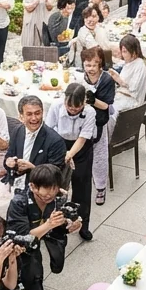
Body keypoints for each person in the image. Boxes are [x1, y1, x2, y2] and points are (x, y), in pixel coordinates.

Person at [7, 165, 82, 290]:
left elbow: (60, 227)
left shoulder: (58, 199)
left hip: (39, 242)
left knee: (36, 278)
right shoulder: (19, 202)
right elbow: (20, 237)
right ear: (33, 186)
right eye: (46, 189)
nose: (50, 194)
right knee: (13, 285)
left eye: (54, 188)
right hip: (16, 249)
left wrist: (71, 225)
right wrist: (48, 224)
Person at [47, 83, 98, 240]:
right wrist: (62, 153)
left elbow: (83, 138)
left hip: (81, 148)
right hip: (59, 143)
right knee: (56, 186)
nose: (72, 110)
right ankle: (53, 224)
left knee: (82, 186)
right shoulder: (56, 107)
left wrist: (70, 155)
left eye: (77, 108)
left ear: (84, 102)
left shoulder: (90, 112)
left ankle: (82, 224)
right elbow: (49, 131)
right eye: (69, 107)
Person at [4, 95, 67, 193]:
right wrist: (9, 162)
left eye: (37, 113)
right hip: (14, 184)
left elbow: (55, 175)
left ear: (43, 113)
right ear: (21, 116)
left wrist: (33, 168)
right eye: (29, 114)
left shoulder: (55, 141)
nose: (34, 118)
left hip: (40, 191)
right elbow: (9, 156)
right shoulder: (17, 131)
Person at [81, 47, 116, 204]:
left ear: (100, 64)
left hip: (99, 122)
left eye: (94, 65)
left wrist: (92, 100)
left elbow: (108, 107)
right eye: (87, 65)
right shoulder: (81, 78)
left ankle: (101, 188)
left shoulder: (107, 80)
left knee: (100, 157)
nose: (91, 69)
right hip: (82, 122)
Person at [108, 35, 146, 113]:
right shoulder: (129, 62)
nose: (122, 54)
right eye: (122, 51)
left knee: (107, 109)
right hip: (124, 95)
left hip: (133, 101)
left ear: (133, 52)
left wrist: (120, 82)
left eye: (125, 51)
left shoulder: (139, 65)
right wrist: (117, 79)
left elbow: (133, 90)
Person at [68, 1, 111, 68]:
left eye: (93, 16)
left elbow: (106, 45)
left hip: (99, 62)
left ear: (98, 17)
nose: (90, 20)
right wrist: (113, 59)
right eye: (87, 17)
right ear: (84, 19)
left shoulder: (98, 28)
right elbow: (96, 50)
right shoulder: (83, 32)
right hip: (86, 66)